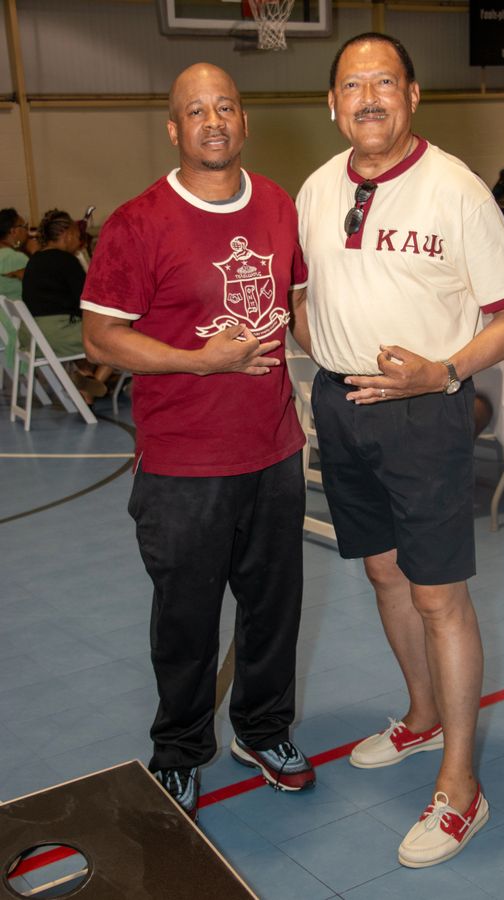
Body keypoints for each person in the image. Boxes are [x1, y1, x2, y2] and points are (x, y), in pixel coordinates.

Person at [293, 32, 504, 868]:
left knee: (439, 596)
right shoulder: (317, 188)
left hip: (424, 409)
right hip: (341, 403)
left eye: (384, 82)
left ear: (412, 95)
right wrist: (324, 352)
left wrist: (445, 371)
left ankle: (461, 786)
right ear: (332, 104)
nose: (368, 97)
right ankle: (422, 717)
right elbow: (303, 294)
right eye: (352, 84)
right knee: (382, 571)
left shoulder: (456, 190)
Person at [81, 63, 315, 817]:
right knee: (186, 619)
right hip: (184, 462)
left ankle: (263, 730)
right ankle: (180, 749)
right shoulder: (138, 222)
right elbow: (102, 337)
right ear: (174, 128)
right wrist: (199, 360)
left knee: (274, 608)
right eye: (196, 111)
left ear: (244, 120)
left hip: (274, 449)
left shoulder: (277, 204)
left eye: (225, 107)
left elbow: (297, 309)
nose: (213, 121)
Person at [22, 209, 113, 405]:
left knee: (86, 330)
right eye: (78, 235)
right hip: (55, 336)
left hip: (31, 335)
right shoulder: (66, 260)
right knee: (115, 337)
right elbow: (87, 300)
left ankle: (86, 375)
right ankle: (93, 386)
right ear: (67, 234)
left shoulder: (35, 260)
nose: (79, 241)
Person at [0, 208, 30, 301]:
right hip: (16, 309)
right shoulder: (17, 258)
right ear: (13, 231)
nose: (27, 232)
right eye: (24, 227)